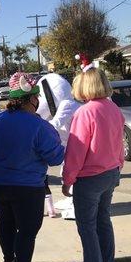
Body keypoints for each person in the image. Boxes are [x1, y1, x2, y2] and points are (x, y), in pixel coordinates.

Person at [0, 72, 64, 262]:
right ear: (31, 99)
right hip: (26, 187)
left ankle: (9, 261)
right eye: (37, 98)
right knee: (27, 229)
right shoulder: (40, 126)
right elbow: (55, 158)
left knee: (5, 222)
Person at [62, 61, 125, 262]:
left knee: (87, 227)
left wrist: (68, 179)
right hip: (111, 172)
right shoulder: (113, 108)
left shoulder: (85, 112)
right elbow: (119, 143)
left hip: (90, 177)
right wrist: (118, 166)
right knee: (103, 222)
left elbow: (76, 151)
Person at [37, 73, 82, 219]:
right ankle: (71, 199)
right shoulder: (66, 104)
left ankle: (78, 206)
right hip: (68, 147)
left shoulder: (67, 105)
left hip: (77, 147)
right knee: (66, 173)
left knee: (76, 176)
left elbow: (55, 125)